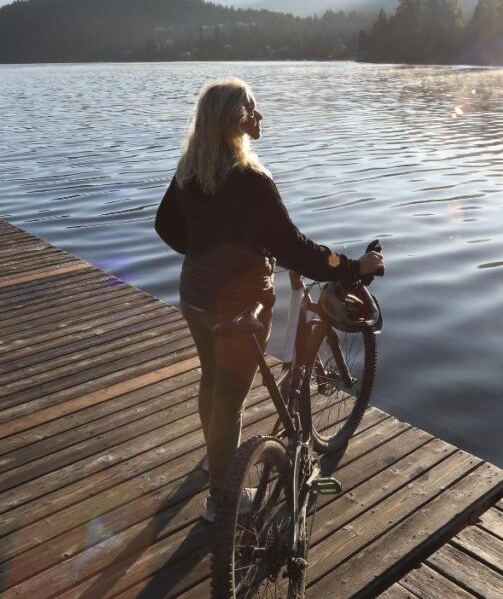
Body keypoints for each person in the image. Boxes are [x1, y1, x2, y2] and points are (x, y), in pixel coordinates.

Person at [154, 76, 384, 522]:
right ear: (233, 122)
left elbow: (166, 226)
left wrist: (206, 250)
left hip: (195, 296)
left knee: (211, 381)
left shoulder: (189, 169)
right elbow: (295, 248)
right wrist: (357, 267)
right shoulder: (251, 180)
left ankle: (213, 459)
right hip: (240, 305)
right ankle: (222, 501)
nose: (259, 117)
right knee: (233, 395)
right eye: (252, 110)